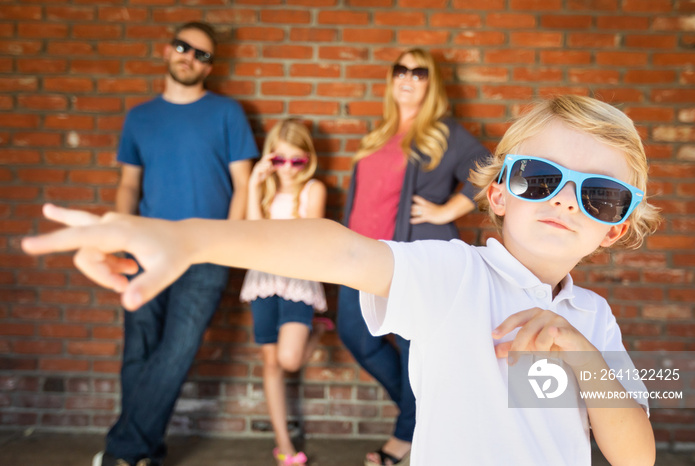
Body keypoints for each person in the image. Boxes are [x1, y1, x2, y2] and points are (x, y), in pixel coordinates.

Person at [23, 95, 660, 466]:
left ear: (615, 228)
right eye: (540, 178)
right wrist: (189, 238)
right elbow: (342, 252)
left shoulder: (592, 316)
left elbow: (634, 455)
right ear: (498, 192)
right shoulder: (456, 275)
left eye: (601, 195)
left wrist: (579, 352)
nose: (566, 201)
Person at [92, 22, 258, 466]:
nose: (191, 58)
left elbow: (243, 185)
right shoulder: (140, 117)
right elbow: (129, 185)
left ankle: (123, 450)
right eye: (185, 48)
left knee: (178, 349)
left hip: (205, 252)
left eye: (202, 54)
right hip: (143, 249)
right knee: (139, 350)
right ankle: (146, 451)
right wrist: (119, 234)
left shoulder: (227, 113)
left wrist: (227, 243)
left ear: (210, 65)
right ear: (168, 51)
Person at [338, 48, 488, 466]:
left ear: (431, 82)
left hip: (408, 257)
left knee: (411, 347)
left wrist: (445, 211)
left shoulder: (443, 133)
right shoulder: (380, 133)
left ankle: (407, 433)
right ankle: (423, 415)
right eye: (400, 69)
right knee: (357, 336)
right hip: (359, 256)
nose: (407, 77)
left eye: (418, 71)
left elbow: (490, 167)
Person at [239, 119, 331, 466]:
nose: (289, 169)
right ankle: (284, 445)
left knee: (289, 359)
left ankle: (319, 328)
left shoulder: (313, 191)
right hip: (263, 281)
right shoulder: (263, 192)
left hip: (297, 280)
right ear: (269, 160)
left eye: (297, 161)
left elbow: (309, 239)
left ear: (308, 160)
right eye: (280, 160)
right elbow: (250, 237)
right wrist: (253, 185)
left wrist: (270, 242)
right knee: (270, 362)